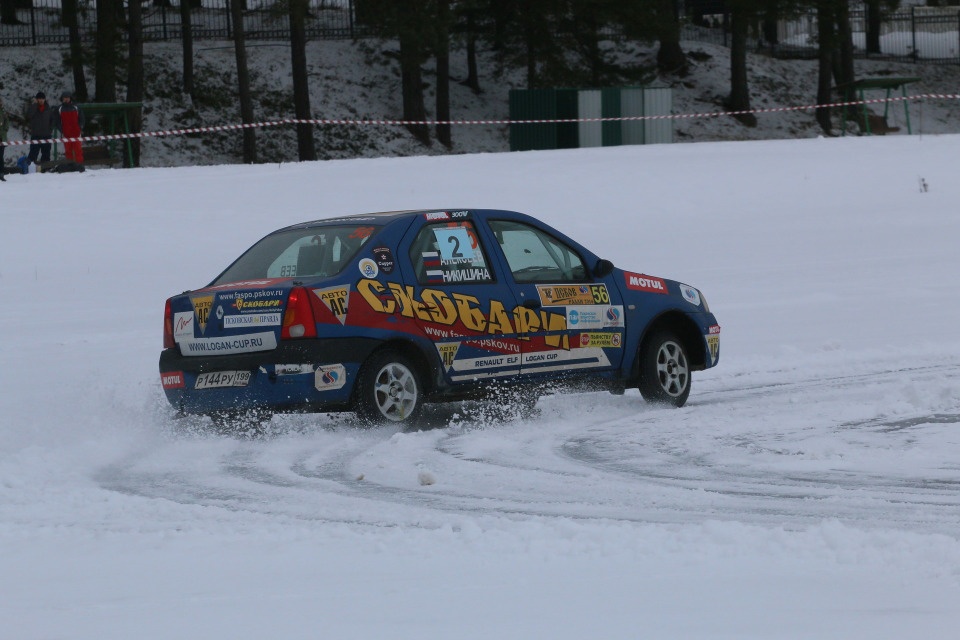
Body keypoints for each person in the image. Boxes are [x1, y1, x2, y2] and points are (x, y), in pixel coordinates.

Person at [25, 91, 55, 165]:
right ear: (36, 99)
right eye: (39, 99)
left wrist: (50, 129)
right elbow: (28, 115)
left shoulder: (48, 108)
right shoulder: (33, 108)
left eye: (42, 99)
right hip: (36, 135)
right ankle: (30, 168)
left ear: (45, 99)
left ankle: (45, 169)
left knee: (46, 154)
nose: (41, 100)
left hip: (46, 135)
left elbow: (52, 120)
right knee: (33, 154)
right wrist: (35, 105)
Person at [55, 91, 84, 164]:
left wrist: (79, 128)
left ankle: (79, 165)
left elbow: (82, 119)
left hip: (76, 133)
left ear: (70, 98)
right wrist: (62, 130)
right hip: (66, 134)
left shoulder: (76, 107)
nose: (66, 99)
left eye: (67, 98)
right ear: (62, 99)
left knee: (78, 150)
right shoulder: (59, 108)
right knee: (68, 151)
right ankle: (70, 166)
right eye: (64, 98)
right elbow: (57, 121)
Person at [0, 96, 9, 181]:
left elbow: (7, 122)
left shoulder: (3, 111)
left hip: (2, 137)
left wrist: (5, 129)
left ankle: (1, 174)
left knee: (0, 157)